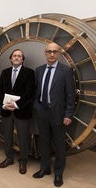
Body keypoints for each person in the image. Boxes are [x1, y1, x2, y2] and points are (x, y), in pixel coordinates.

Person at [33, 43, 75, 187]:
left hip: (58, 113)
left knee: (59, 145)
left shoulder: (66, 71)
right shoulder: (39, 70)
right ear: (45, 53)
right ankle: (44, 168)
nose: (52, 54)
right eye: (49, 51)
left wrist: (68, 114)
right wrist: (37, 106)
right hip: (42, 111)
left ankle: (58, 173)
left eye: (55, 52)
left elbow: (70, 95)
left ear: (59, 54)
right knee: (43, 142)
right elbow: (36, 91)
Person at [0, 49, 35, 174]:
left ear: (22, 59)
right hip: (7, 111)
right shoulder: (5, 72)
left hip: (22, 111)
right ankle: (9, 158)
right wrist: (4, 105)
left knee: (23, 137)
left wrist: (17, 105)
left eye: (19, 56)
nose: (17, 58)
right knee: (7, 136)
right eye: (14, 56)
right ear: (11, 58)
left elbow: (30, 93)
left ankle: (23, 161)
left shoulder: (29, 73)